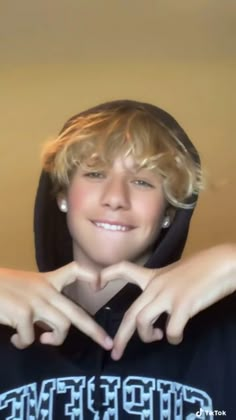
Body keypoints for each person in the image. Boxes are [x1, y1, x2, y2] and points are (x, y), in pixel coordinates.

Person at [0, 99, 235, 419]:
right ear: (62, 196)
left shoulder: (223, 330)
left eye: (142, 181)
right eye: (96, 173)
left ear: (169, 212)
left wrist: (230, 260)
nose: (115, 198)